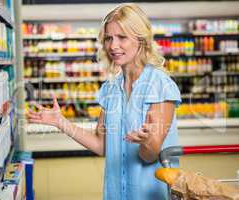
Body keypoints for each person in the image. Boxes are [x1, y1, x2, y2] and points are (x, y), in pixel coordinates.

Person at [27, 3, 181, 200]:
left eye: (122, 37)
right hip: (116, 193)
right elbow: (101, 146)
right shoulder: (110, 89)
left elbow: (149, 155)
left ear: (141, 40)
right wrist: (61, 122)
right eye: (109, 38)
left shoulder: (159, 85)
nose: (113, 46)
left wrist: (148, 141)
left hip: (148, 194)